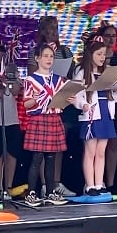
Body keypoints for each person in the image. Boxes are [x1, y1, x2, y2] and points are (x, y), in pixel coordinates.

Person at [29, 16, 76, 197]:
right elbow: (32, 75)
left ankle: (55, 182)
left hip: (60, 104)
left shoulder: (64, 50)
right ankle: (43, 184)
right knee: (41, 149)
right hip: (42, 105)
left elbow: (72, 73)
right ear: (41, 31)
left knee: (57, 146)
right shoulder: (36, 51)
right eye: (48, 30)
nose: (52, 33)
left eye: (55, 29)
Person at [73, 36, 117, 196]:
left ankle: (99, 183)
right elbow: (75, 95)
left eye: (104, 54)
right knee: (90, 151)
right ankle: (89, 185)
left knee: (101, 152)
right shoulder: (81, 72)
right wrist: (83, 105)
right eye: (99, 54)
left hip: (105, 114)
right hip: (91, 115)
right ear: (91, 54)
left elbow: (111, 96)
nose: (102, 57)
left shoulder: (107, 72)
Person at [22, 44, 71, 206]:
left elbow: (63, 101)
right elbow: (27, 104)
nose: (49, 59)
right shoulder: (30, 80)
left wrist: (68, 100)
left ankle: (50, 191)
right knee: (37, 158)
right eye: (45, 56)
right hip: (39, 119)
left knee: (51, 158)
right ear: (37, 58)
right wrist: (35, 98)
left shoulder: (58, 80)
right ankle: (31, 193)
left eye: (51, 56)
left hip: (53, 118)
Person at [0, 41, 24, 201]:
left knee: (11, 153)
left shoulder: (11, 71)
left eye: (2, 54)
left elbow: (16, 91)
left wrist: (11, 77)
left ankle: (8, 186)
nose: (0, 57)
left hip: (11, 118)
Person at [94, 22, 117, 191]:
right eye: (108, 36)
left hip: (115, 104)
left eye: (114, 36)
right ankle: (96, 181)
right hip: (97, 104)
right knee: (97, 144)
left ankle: (111, 182)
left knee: (113, 143)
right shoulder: (95, 57)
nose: (111, 39)